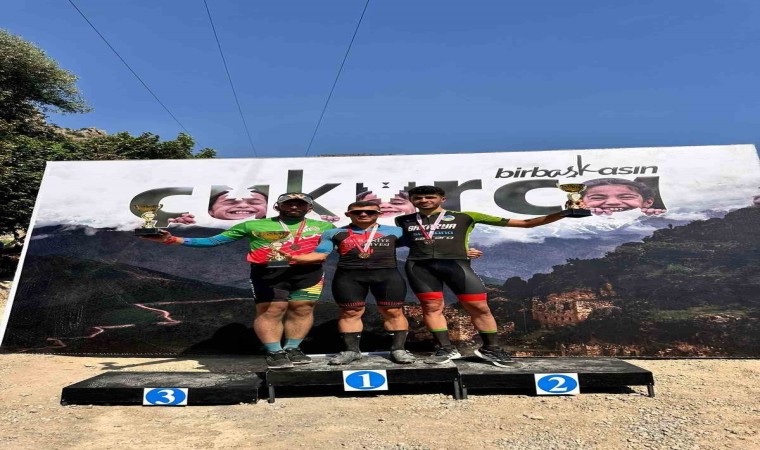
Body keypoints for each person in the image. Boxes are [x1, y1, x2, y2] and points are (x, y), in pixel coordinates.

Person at [143, 192, 335, 369]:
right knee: (272, 311)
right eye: (288, 203)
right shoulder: (252, 225)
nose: (294, 206)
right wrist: (172, 239)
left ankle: (293, 348)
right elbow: (214, 241)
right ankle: (275, 352)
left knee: (303, 309)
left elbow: (343, 244)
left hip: (309, 274)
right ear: (277, 206)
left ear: (309, 208)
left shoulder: (326, 227)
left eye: (300, 204)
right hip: (268, 274)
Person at [281, 200, 484, 365]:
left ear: (378, 214)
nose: (363, 215)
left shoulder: (396, 231)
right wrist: (294, 257)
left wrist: (460, 251)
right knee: (350, 312)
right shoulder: (333, 233)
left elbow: (427, 245)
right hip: (349, 277)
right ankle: (351, 351)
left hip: (387, 276)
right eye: (357, 212)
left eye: (370, 212)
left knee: (393, 312)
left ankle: (398, 349)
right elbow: (320, 254)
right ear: (348, 214)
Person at [395, 185, 577, 367]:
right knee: (431, 307)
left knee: (480, 307)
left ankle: (491, 348)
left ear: (442, 199)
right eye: (418, 198)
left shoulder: (467, 216)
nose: (424, 200)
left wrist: (566, 212)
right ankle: (445, 348)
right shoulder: (403, 220)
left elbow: (526, 223)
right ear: (412, 200)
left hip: (457, 267)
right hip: (419, 268)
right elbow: (400, 241)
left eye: (430, 197)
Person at [168, 188, 269, 224]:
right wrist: (181, 227)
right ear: (210, 211)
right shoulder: (193, 226)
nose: (243, 206)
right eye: (230, 202)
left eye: (254, 202)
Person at [581, 178, 666, 216]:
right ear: (580, 202)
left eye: (626, 197)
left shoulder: (651, 219)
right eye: (597, 198)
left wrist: (657, 218)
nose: (613, 202)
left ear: (648, 202)